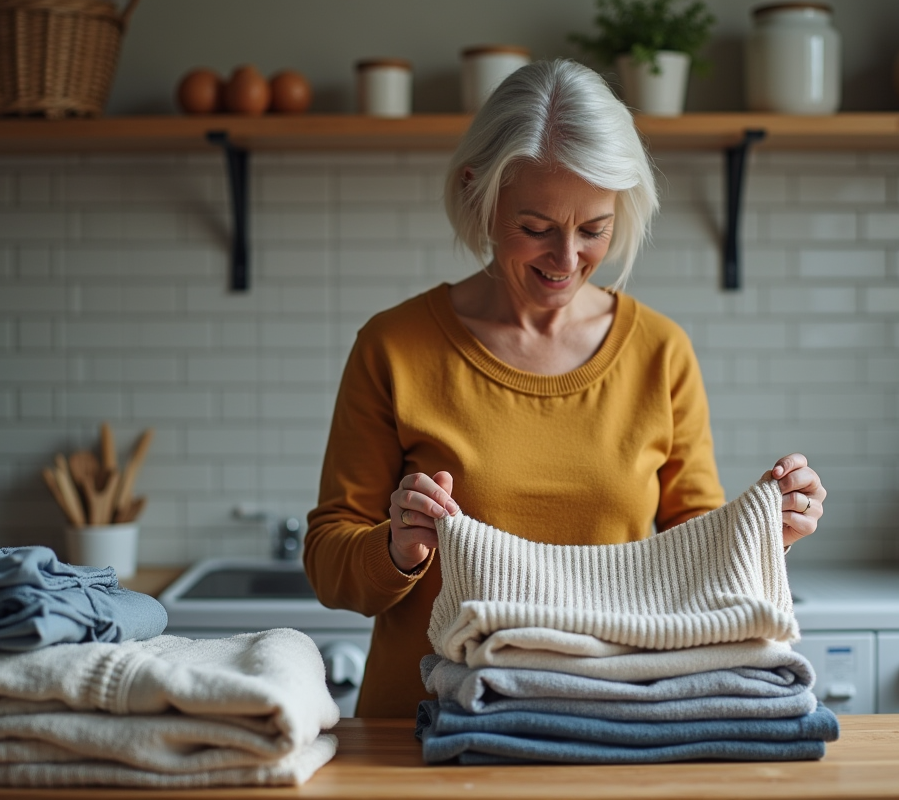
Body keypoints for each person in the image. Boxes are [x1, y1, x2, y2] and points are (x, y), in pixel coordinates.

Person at [304, 59, 827, 719]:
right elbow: (328, 559)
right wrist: (395, 548)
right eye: (536, 228)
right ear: (478, 193)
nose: (567, 258)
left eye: (594, 228)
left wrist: (762, 536)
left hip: (613, 728)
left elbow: (693, 551)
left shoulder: (660, 353)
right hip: (425, 734)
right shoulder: (395, 347)